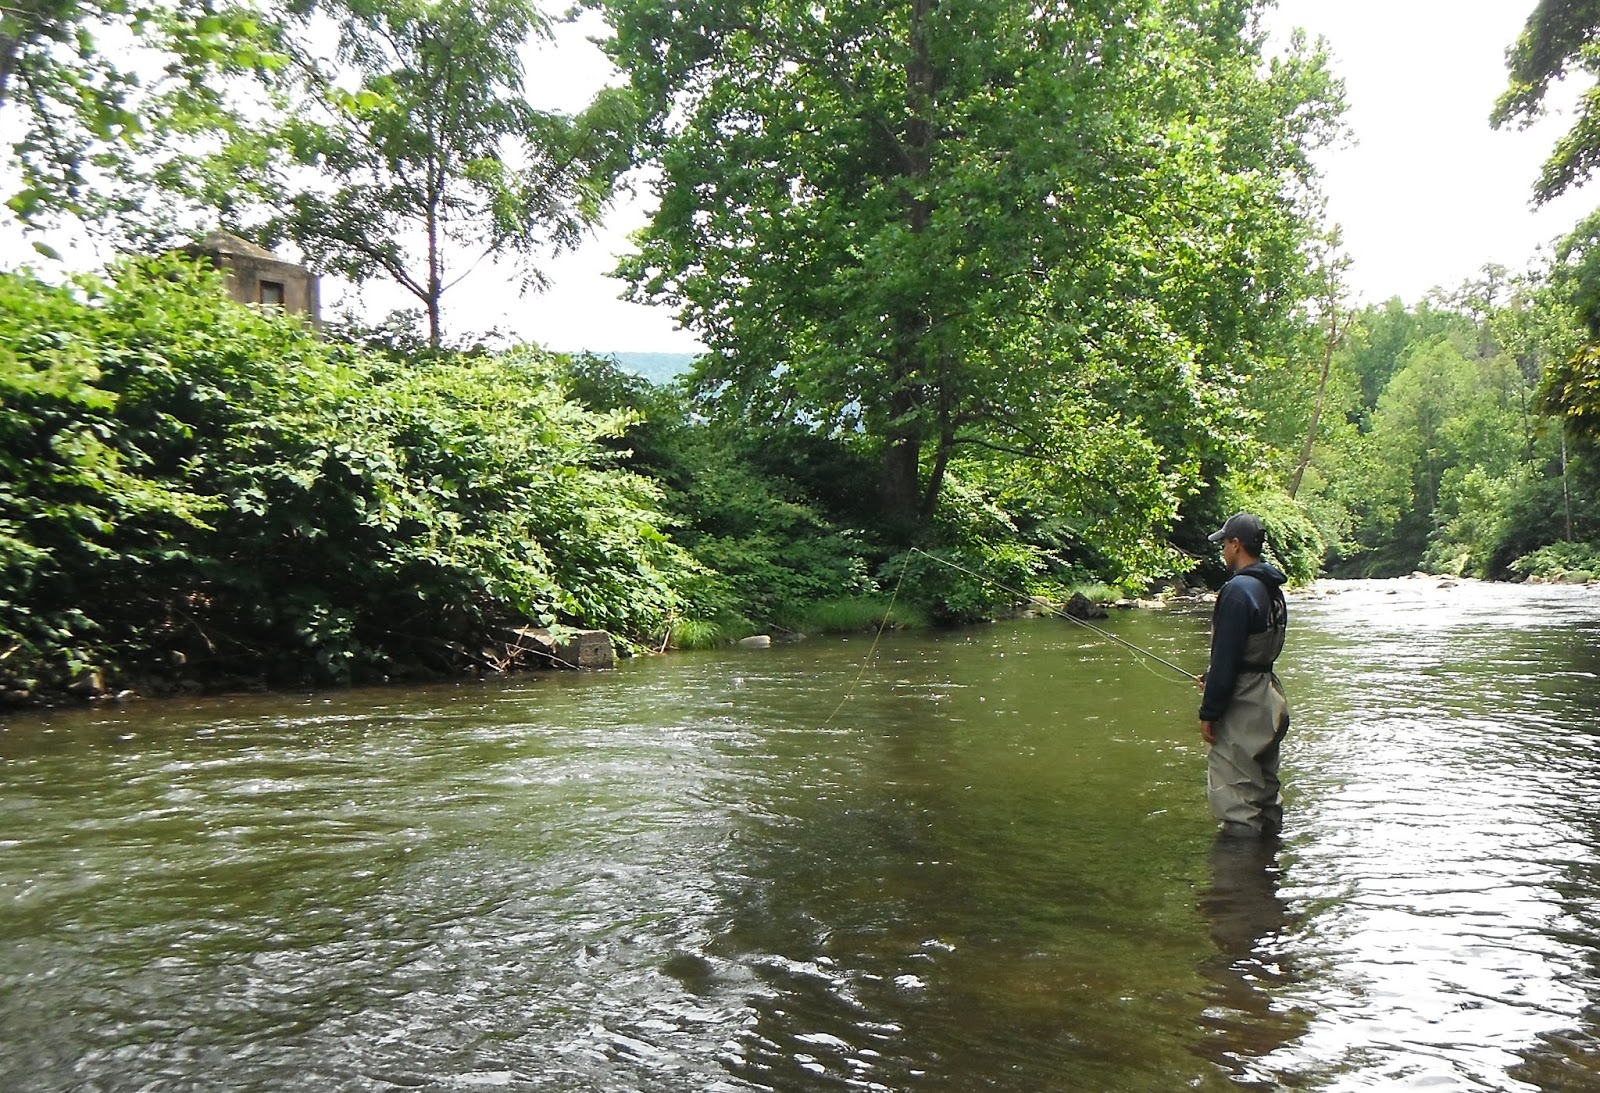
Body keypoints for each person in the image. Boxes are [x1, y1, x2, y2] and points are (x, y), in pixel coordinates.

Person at [1198, 512, 1289, 838]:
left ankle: (1237, 882)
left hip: (1243, 702)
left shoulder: (1238, 591)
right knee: (1265, 791)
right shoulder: (1271, 589)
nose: (1223, 550)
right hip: (1268, 696)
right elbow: (1253, 652)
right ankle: (1268, 871)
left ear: (1236, 544)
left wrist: (1210, 711)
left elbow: (1226, 658)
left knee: (1236, 798)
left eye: (1224, 543)